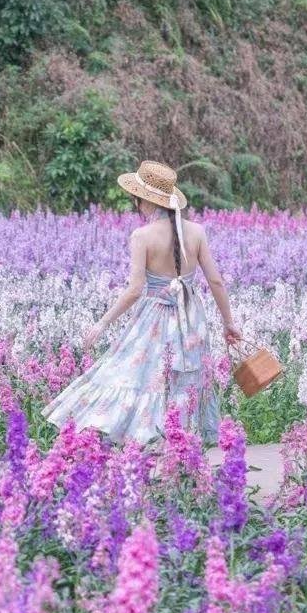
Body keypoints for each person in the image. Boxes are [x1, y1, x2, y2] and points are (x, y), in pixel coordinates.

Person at [43, 160, 241, 448]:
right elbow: (216, 282)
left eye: (135, 199)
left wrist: (103, 323)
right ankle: (180, 444)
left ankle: (143, 440)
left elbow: (135, 290)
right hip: (191, 318)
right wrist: (228, 323)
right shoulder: (196, 231)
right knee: (184, 379)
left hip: (154, 318)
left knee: (136, 374)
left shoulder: (142, 236)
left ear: (144, 201)